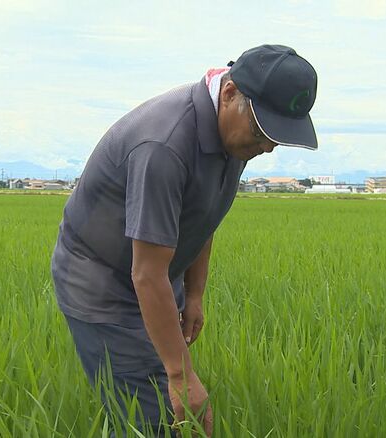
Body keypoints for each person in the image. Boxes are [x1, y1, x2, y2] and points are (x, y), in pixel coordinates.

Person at [51, 44, 318, 436]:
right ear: (229, 94)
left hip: (154, 276)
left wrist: (194, 294)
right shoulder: (163, 145)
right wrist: (180, 374)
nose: (268, 147)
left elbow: (201, 217)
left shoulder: (234, 135)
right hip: (102, 286)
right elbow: (146, 273)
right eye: (264, 131)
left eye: (277, 137)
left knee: (176, 410)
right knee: (151, 419)